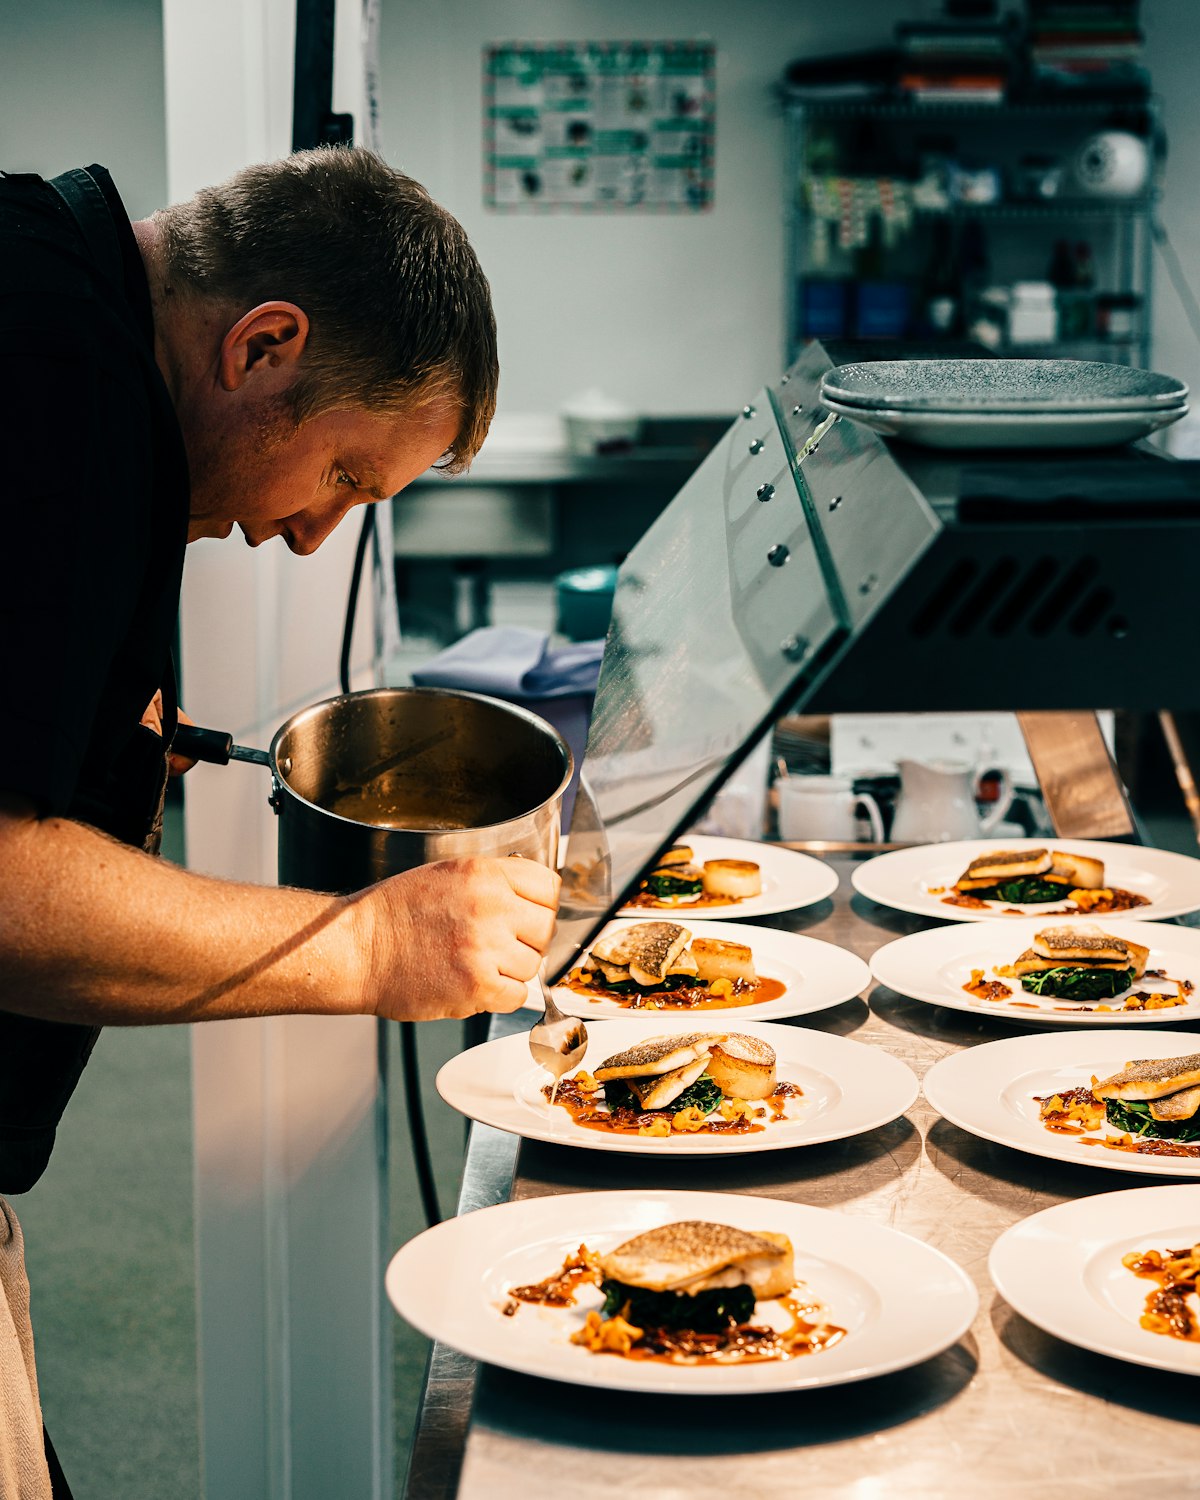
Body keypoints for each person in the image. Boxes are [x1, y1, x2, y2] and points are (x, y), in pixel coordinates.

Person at [0, 147, 559, 1499]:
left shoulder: (48, 284)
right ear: (264, 346)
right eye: (350, 476)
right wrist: (369, 951)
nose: (314, 535)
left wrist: (102, 753)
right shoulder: (53, 374)